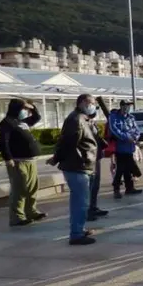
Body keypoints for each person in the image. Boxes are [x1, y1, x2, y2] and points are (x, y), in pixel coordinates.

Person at [48, 94, 99, 245]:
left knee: (81, 201)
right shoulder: (76, 120)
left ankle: (79, 229)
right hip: (77, 165)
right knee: (80, 202)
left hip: (83, 165)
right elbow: (67, 143)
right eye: (91, 103)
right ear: (82, 103)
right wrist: (56, 158)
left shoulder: (83, 119)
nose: (93, 106)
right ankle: (76, 234)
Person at [0, 99, 46, 227]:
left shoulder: (22, 122)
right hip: (18, 161)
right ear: (16, 109)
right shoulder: (7, 123)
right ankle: (17, 217)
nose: (25, 111)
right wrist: (8, 158)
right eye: (23, 109)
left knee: (32, 188)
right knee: (20, 189)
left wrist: (32, 106)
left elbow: (37, 117)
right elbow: (3, 142)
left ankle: (31, 211)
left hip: (30, 160)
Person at [109, 100, 142, 198]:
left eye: (128, 106)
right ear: (121, 106)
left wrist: (135, 137)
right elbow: (114, 130)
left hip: (130, 148)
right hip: (120, 148)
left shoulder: (131, 117)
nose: (127, 108)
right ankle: (116, 189)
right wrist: (127, 137)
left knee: (128, 169)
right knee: (120, 169)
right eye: (125, 106)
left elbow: (137, 130)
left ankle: (129, 188)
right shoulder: (114, 117)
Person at [87, 107, 109, 221]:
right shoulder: (80, 122)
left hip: (97, 156)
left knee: (95, 185)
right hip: (89, 158)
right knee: (89, 186)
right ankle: (87, 211)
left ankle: (93, 207)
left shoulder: (91, 122)